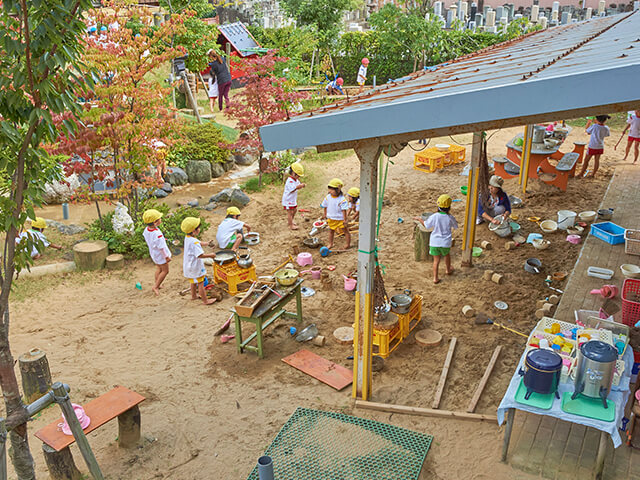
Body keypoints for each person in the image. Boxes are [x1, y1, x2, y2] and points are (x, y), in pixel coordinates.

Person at [414, 195, 458, 284]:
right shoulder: (450, 217)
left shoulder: (434, 216)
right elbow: (456, 226)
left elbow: (426, 225)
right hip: (445, 242)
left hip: (434, 242)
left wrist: (420, 219)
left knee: (436, 260)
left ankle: (435, 278)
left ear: (438, 206)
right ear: (449, 207)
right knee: (446, 255)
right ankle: (448, 269)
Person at [181, 217, 217, 305]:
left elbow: (199, 242)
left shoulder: (188, 237)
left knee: (193, 281)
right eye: (198, 228)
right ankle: (205, 301)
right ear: (194, 231)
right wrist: (211, 255)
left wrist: (207, 243)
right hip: (195, 267)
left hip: (188, 266)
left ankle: (193, 296)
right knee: (201, 283)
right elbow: (200, 255)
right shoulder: (194, 243)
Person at [142, 209, 171, 296]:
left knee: (159, 268)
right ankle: (156, 286)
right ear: (155, 222)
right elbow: (161, 247)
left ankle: (157, 283)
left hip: (154, 254)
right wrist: (166, 257)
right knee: (165, 271)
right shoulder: (157, 233)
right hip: (161, 255)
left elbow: (152, 240)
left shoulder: (147, 230)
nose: (161, 219)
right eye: (159, 218)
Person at [321, 178, 350, 250]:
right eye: (329, 189)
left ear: (338, 190)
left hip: (340, 219)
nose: (329, 191)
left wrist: (345, 219)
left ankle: (347, 244)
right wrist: (325, 215)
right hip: (331, 218)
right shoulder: (328, 197)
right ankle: (330, 243)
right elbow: (325, 206)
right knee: (331, 231)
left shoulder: (342, 199)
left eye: (332, 189)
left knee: (345, 231)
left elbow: (344, 210)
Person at [282, 162, 306, 230]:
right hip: (288, 200)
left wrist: (301, 185)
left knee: (295, 210)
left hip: (292, 199)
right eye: (297, 175)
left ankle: (291, 221)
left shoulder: (296, 180)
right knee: (290, 212)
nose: (298, 177)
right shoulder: (290, 181)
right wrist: (299, 186)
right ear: (292, 173)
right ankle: (291, 225)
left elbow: (298, 186)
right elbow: (292, 189)